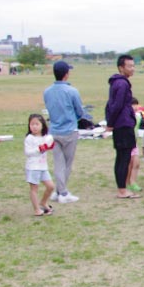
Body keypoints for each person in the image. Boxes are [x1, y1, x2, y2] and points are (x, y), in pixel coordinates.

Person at [42, 60, 86, 203]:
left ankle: (58, 191)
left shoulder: (47, 92)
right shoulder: (72, 91)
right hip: (69, 130)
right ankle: (63, 192)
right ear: (66, 74)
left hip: (54, 130)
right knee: (67, 164)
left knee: (58, 163)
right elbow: (79, 111)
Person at [105, 54, 140, 199]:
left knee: (122, 157)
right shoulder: (122, 84)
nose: (132, 69)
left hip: (121, 123)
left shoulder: (118, 83)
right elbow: (116, 105)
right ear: (121, 68)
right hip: (123, 124)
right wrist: (111, 123)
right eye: (129, 66)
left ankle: (122, 188)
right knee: (123, 158)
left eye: (133, 66)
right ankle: (122, 190)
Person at [25, 113, 56, 216]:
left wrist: (49, 145)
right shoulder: (29, 138)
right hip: (33, 167)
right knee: (34, 189)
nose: (34, 126)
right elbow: (28, 152)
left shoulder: (46, 137)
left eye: (37, 124)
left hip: (43, 166)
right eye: (32, 124)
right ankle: (37, 209)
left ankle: (43, 202)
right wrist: (39, 149)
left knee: (51, 186)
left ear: (42, 125)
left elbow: (50, 144)